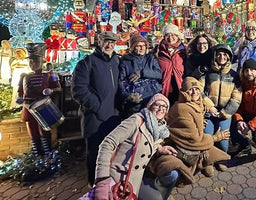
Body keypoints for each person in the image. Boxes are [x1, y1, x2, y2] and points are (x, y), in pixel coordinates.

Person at [93, 94, 177, 200]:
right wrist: (102, 181)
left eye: (164, 106)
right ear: (149, 106)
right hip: (117, 180)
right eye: (157, 104)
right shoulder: (136, 121)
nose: (161, 108)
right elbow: (107, 143)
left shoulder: (159, 129)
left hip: (135, 180)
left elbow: (148, 142)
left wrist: (160, 148)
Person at [150, 77, 231, 183]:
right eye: (190, 89)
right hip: (178, 147)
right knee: (171, 167)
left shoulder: (197, 104)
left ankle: (204, 164)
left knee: (208, 142)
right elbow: (194, 139)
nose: (195, 92)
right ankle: (166, 188)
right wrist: (216, 137)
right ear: (184, 92)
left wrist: (200, 122)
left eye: (197, 88)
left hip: (190, 144)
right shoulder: (182, 108)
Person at [72, 31, 121, 186]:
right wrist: (98, 107)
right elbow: (79, 90)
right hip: (94, 117)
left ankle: (110, 182)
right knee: (95, 152)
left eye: (112, 42)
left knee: (113, 152)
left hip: (115, 116)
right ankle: (93, 185)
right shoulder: (87, 63)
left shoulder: (118, 61)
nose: (109, 45)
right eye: (106, 41)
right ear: (99, 42)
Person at [16, 43, 61, 157]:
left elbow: (58, 88)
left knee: (44, 131)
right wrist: (20, 99)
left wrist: (50, 91)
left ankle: (48, 154)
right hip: (28, 107)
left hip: (43, 107)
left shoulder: (50, 75)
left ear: (42, 61)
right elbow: (20, 92)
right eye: (30, 61)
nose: (32, 64)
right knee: (32, 131)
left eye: (35, 61)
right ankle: (37, 155)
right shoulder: (24, 76)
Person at [203, 44, 242, 172]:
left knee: (223, 140)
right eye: (219, 54)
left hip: (225, 113)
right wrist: (209, 107)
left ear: (229, 57)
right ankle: (208, 160)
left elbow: (236, 98)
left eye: (225, 54)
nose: (222, 57)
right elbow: (201, 92)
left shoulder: (234, 76)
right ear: (215, 56)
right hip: (209, 112)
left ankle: (221, 158)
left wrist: (225, 113)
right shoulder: (208, 73)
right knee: (208, 137)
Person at [119, 33, 162, 116]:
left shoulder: (151, 58)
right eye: (138, 46)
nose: (142, 48)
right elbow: (120, 82)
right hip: (136, 100)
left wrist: (142, 73)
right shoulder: (126, 62)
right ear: (132, 47)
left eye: (143, 45)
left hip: (151, 97)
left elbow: (159, 74)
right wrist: (127, 96)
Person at [156, 24, 186, 105]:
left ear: (177, 36)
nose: (170, 37)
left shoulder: (184, 51)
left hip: (180, 86)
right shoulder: (158, 51)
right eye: (167, 35)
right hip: (164, 87)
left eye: (173, 35)